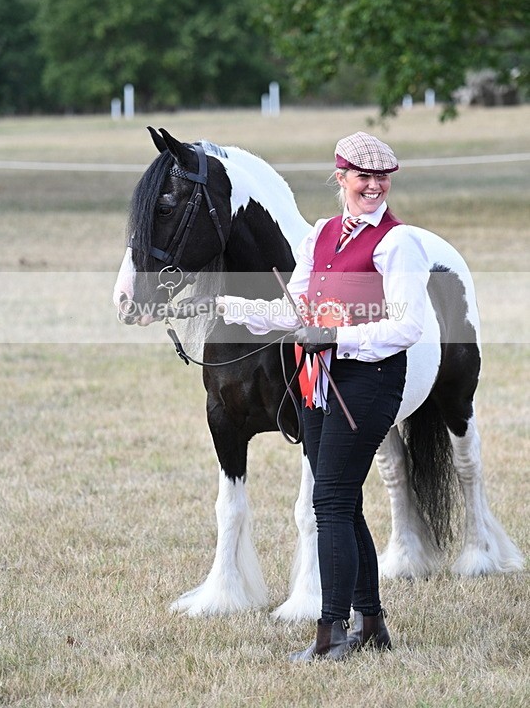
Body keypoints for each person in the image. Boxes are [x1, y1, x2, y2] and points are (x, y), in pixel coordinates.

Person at [176, 131, 430, 661]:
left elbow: (407, 327)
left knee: (330, 501)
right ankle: (373, 624)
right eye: (363, 177)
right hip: (318, 379)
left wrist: (338, 335)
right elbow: (294, 312)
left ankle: (333, 632)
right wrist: (229, 307)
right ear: (341, 178)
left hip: (369, 381)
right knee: (342, 501)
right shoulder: (323, 236)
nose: (373, 186)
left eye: (382, 178)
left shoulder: (397, 243)